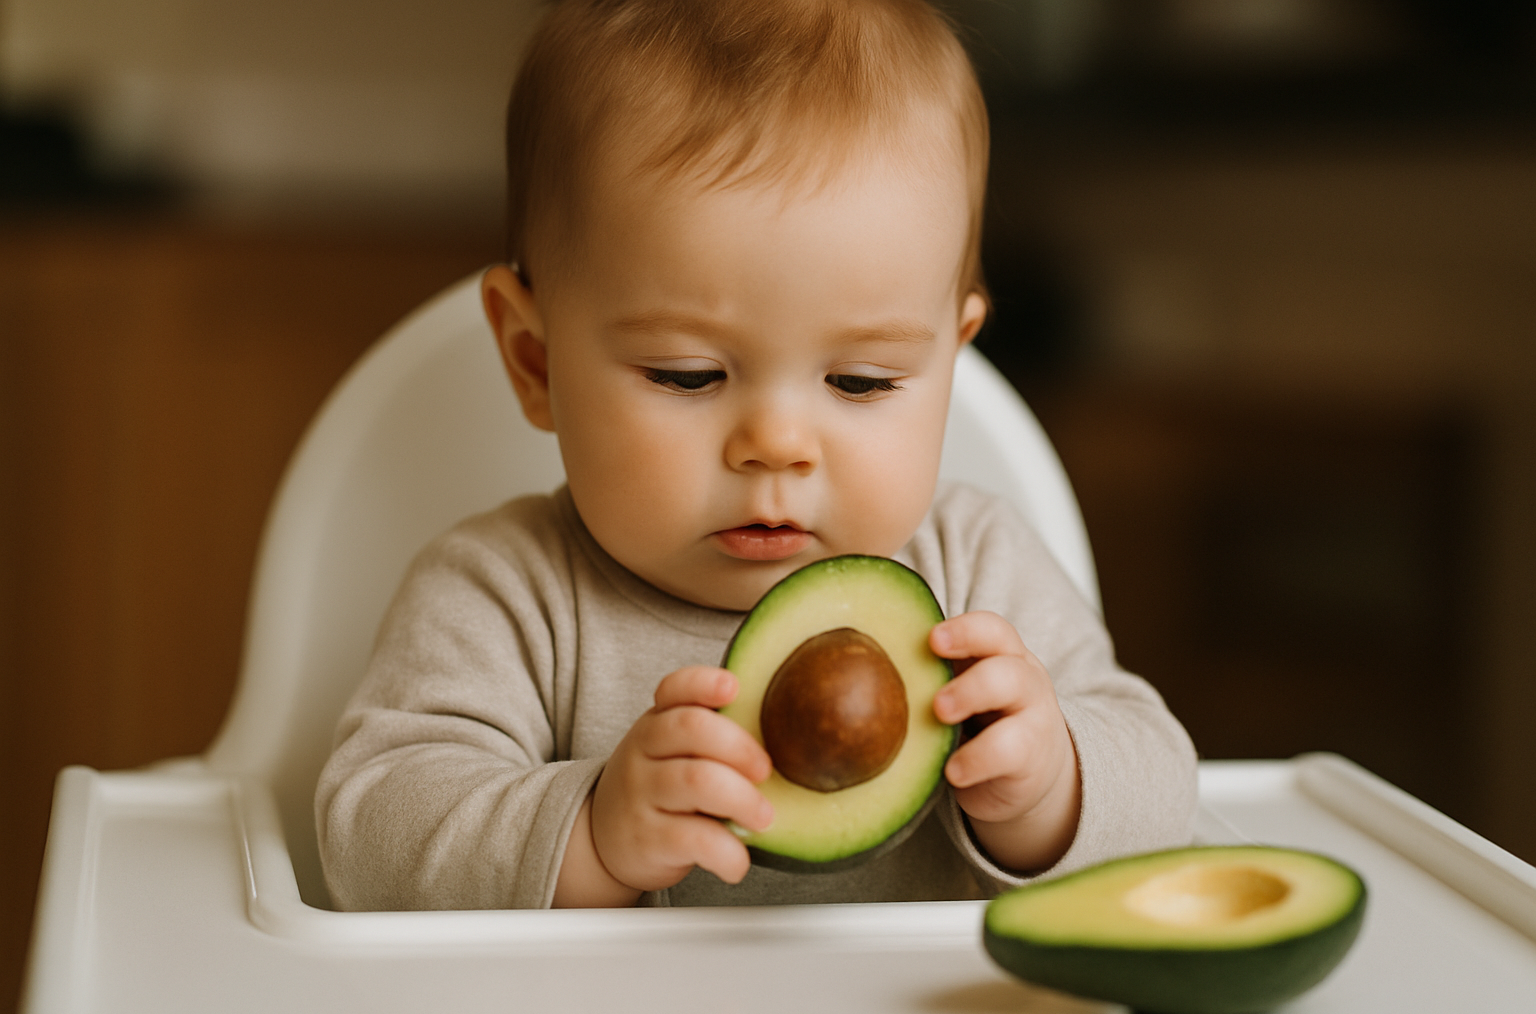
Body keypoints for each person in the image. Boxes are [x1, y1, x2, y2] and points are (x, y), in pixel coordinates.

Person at [316, 0, 1197, 911]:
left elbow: (1168, 794)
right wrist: (591, 832)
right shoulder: (505, 595)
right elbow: (368, 839)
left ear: (950, 360)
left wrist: (1050, 790)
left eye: (859, 382)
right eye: (687, 374)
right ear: (536, 362)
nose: (776, 445)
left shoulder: (978, 573)